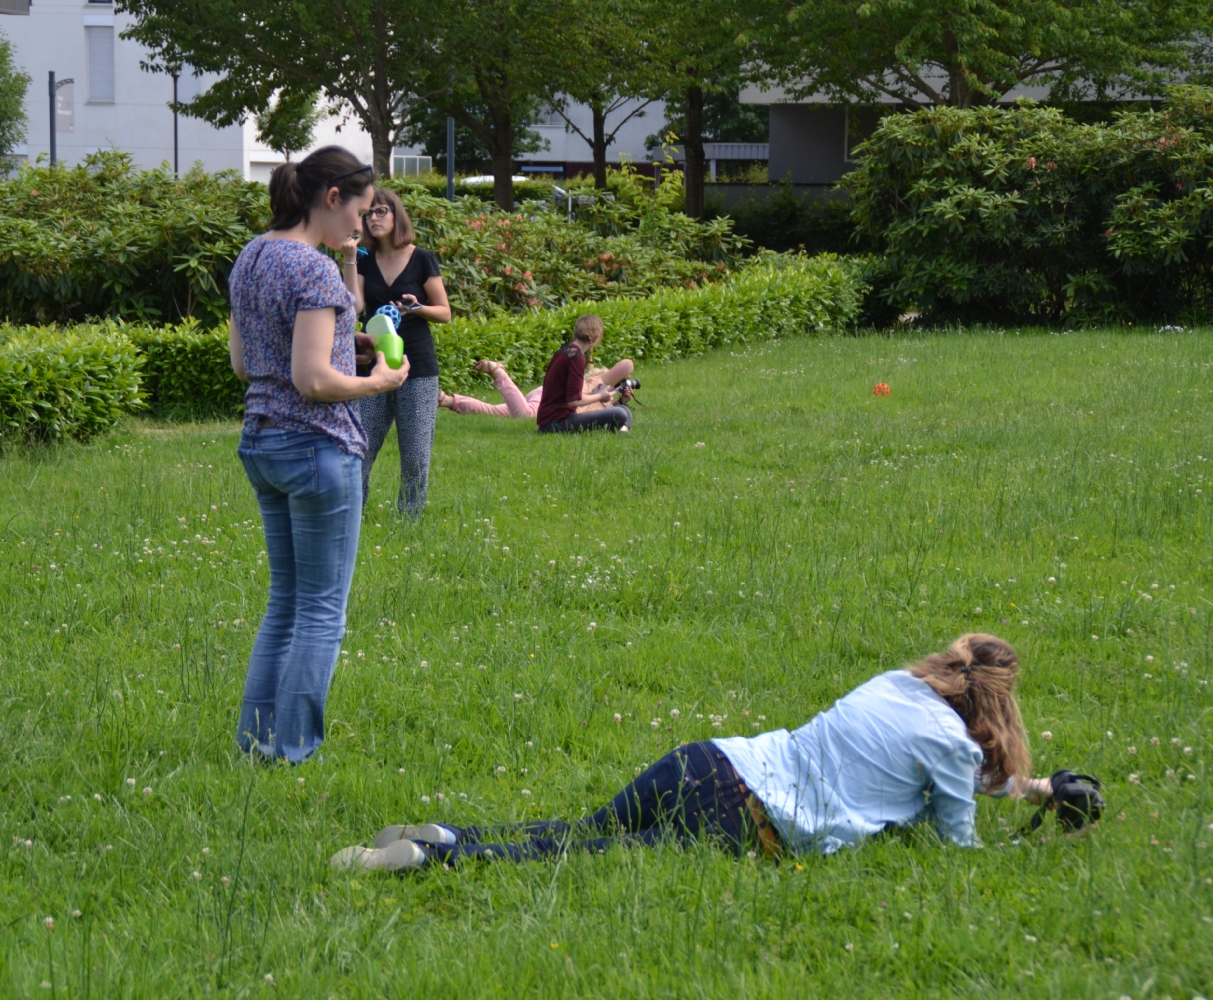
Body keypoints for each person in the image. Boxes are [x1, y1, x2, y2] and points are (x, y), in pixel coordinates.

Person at [331, 633, 1055, 870]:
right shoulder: (951, 749)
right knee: (582, 857)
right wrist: (1035, 831)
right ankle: (427, 861)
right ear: (997, 707)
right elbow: (957, 843)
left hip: (708, 757)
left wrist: (1036, 788)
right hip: (747, 817)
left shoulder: (894, 685)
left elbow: (962, 775)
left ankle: (447, 833)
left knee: (582, 832)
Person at [227, 147, 410, 765]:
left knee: (285, 603)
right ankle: (294, 750)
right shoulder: (313, 269)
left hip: (262, 441)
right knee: (322, 611)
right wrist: (378, 382)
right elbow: (312, 380)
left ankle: (256, 744)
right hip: (317, 447)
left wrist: (339, 342)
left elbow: (247, 363)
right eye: (359, 211)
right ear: (332, 198)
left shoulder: (251, 257)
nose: (361, 226)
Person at [356, 188, 452, 517]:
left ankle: (409, 522)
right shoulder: (363, 260)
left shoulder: (422, 258)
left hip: (417, 367)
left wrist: (417, 308)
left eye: (381, 211)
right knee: (359, 448)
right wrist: (349, 258)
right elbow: (354, 305)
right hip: (373, 365)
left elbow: (445, 312)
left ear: (397, 216)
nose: (373, 218)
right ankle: (352, 514)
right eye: (368, 213)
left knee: (415, 455)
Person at [440, 357, 635, 419]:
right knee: (525, 415)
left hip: (546, 395)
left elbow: (606, 411)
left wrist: (620, 401)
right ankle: (499, 373)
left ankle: (446, 400)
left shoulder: (608, 404)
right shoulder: (599, 382)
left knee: (495, 412)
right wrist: (618, 383)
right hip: (553, 396)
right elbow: (627, 365)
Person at [536, 315, 633, 434]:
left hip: (548, 420)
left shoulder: (564, 351)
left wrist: (592, 393)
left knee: (623, 409)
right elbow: (574, 401)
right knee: (620, 413)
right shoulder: (577, 357)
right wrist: (600, 396)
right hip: (555, 422)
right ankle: (623, 428)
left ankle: (623, 430)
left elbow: (568, 395)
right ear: (597, 336)